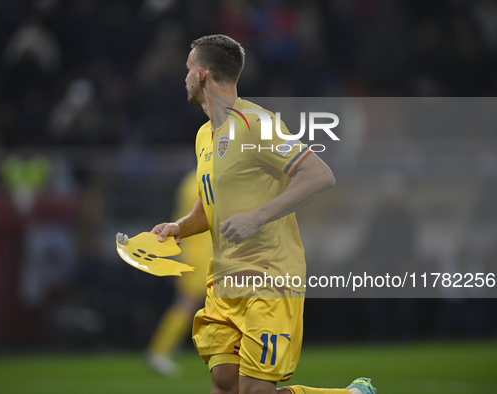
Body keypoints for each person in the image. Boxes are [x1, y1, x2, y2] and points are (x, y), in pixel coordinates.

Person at [151, 35, 375, 394]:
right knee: (224, 384)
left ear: (204, 75)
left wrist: (256, 217)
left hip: (270, 277)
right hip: (226, 280)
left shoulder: (256, 124)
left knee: (255, 391)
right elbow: (211, 204)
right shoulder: (204, 135)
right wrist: (178, 227)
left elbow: (319, 175)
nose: (186, 78)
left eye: (189, 69)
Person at [146, 170, 213, 377]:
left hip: (194, 250)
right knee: (187, 302)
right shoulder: (211, 178)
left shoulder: (190, 180)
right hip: (202, 252)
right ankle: (159, 351)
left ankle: (162, 350)